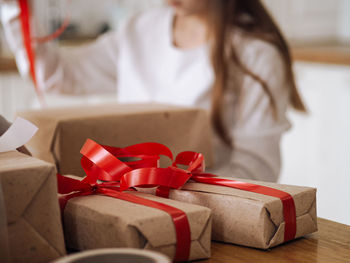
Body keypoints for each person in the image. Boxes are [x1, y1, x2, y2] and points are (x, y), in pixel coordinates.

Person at [0, 0, 306, 182]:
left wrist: (174, 195)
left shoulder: (256, 53)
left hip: (208, 225)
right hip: (130, 207)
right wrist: (17, 10)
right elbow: (56, 75)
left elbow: (259, 170)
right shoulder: (141, 30)